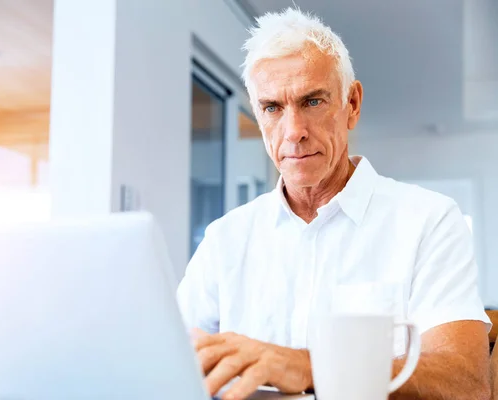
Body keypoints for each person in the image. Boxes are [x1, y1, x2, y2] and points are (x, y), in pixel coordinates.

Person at [177, 7, 491, 400]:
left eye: (312, 102)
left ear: (352, 105)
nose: (293, 133)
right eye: (272, 108)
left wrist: (307, 366)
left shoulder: (429, 221)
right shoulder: (225, 239)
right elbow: (168, 363)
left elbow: (467, 383)